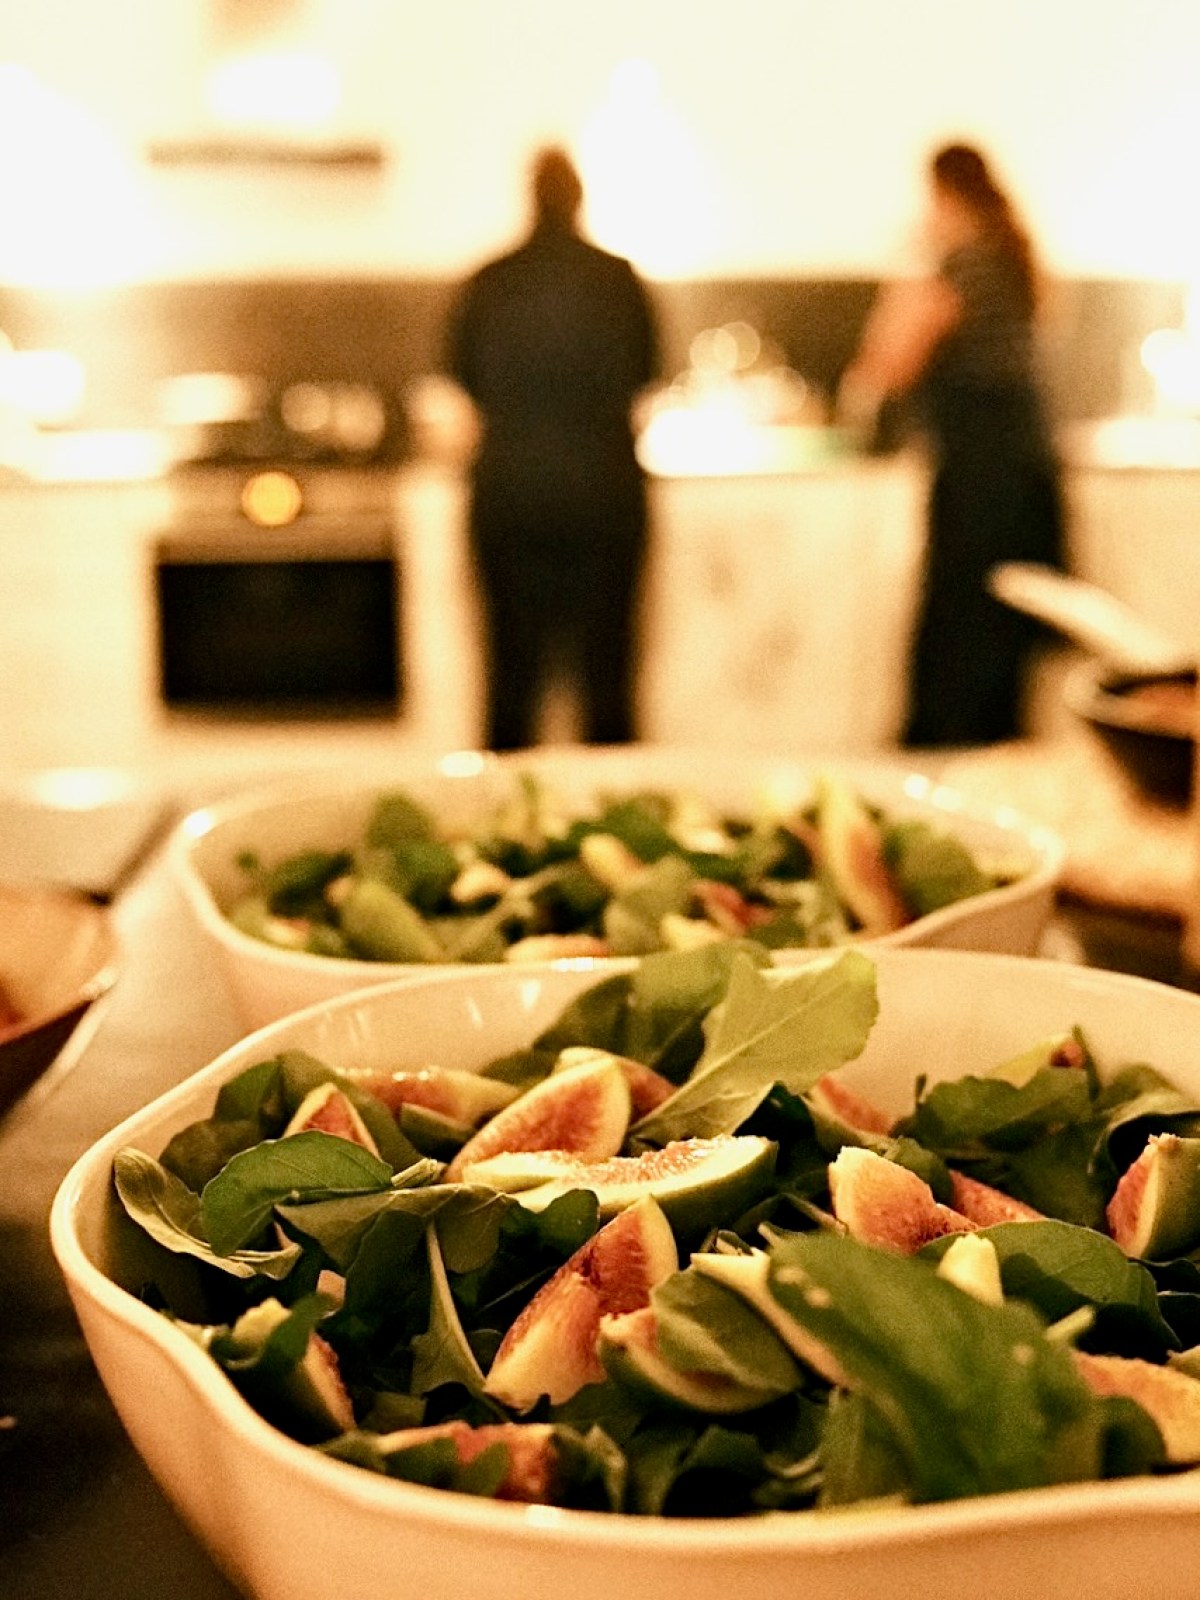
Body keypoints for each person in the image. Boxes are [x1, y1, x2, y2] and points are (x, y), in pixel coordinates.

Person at [841, 141, 1066, 747]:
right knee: (998, 638)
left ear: (945, 194)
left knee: (961, 638)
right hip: (1022, 474)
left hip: (982, 477)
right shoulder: (1009, 258)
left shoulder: (962, 266)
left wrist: (908, 263)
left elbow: (890, 362)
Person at [445, 145, 661, 751]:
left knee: (510, 687)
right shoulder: (619, 280)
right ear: (580, 197)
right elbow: (644, 375)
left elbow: (464, 381)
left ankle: (498, 833)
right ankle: (619, 833)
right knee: (609, 686)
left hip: (510, 495)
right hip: (604, 494)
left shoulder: (490, 281)